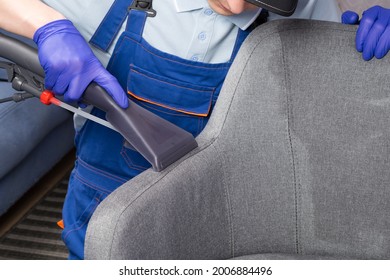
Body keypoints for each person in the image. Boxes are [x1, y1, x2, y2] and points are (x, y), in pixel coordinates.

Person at [0, 0, 388, 260]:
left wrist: (354, 60)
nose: (235, 5)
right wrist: (46, 25)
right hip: (101, 216)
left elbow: (328, 123)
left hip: (218, 226)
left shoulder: (303, 12)